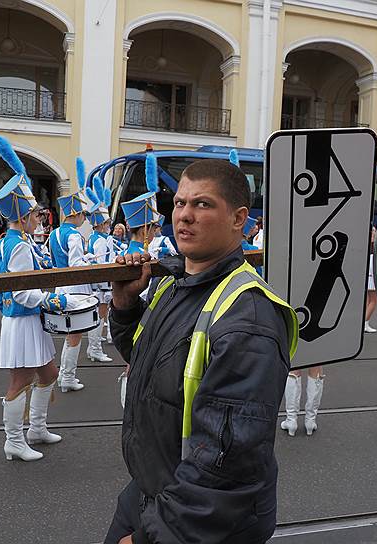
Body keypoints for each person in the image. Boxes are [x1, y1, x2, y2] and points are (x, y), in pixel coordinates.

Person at [105, 158, 298, 544]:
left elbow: (229, 461)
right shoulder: (174, 284)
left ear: (239, 218)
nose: (185, 216)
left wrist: (152, 535)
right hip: (151, 489)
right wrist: (126, 307)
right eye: (179, 203)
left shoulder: (249, 319)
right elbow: (151, 363)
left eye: (203, 204)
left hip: (201, 520)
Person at [0, 135, 67, 460]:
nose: (39, 219)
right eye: (35, 215)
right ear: (22, 217)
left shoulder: (8, 242)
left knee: (48, 373)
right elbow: (22, 291)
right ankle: (14, 440)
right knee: (20, 381)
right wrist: (49, 301)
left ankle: (36, 428)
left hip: (24, 321)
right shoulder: (18, 245)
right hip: (22, 320)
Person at [48, 157, 93, 393]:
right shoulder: (74, 235)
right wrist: (89, 259)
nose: (84, 218)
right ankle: (67, 377)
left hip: (60, 286)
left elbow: (54, 260)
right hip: (76, 288)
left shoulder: (54, 233)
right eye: (83, 214)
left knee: (69, 333)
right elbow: (75, 263)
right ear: (75, 214)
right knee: (76, 334)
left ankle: (65, 375)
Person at [85, 177, 113, 363]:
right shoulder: (101, 240)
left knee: (98, 316)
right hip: (101, 285)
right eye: (108, 223)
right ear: (101, 224)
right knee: (100, 316)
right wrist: (106, 287)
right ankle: (94, 349)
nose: (109, 226)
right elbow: (103, 265)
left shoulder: (93, 238)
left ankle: (93, 347)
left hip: (96, 284)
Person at [365, 224, 377, 333]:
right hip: (371, 279)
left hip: (368, 278)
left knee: (368, 300)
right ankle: (365, 323)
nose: (375, 233)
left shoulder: (368, 248)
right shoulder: (372, 249)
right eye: (373, 231)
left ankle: (364, 323)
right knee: (374, 300)